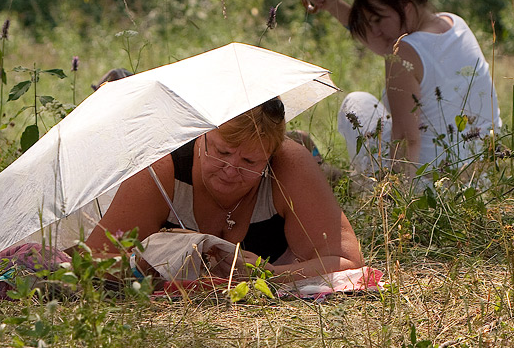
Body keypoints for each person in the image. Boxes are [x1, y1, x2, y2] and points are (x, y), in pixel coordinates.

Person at [85, 97, 365, 280]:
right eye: (221, 152)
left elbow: (347, 261)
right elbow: (93, 260)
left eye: (249, 161)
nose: (231, 171)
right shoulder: (160, 170)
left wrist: (268, 274)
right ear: (201, 136)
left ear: (271, 155)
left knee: (316, 167)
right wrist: (147, 269)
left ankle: (318, 157)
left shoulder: (288, 163)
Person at [301, 0, 501, 180]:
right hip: (480, 178)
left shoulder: (403, 52)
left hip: (431, 185)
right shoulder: (453, 23)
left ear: (406, 6)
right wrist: (333, 5)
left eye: (379, 20)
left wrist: (398, 201)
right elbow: (383, 41)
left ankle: (352, 182)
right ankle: (341, 178)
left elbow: (406, 138)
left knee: (357, 104)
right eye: (370, 23)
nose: (375, 32)